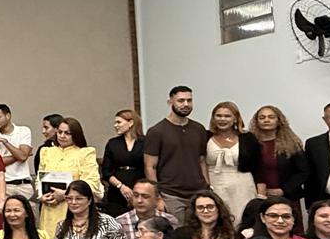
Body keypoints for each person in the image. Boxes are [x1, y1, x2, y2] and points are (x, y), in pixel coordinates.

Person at [143, 87, 209, 223]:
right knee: (176, 231)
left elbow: (202, 160)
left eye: (189, 100)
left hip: (198, 192)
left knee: (199, 231)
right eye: (181, 100)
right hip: (171, 194)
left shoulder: (199, 129)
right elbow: (150, 166)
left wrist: (208, 188)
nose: (186, 104)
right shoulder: (156, 131)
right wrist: (158, 197)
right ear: (170, 102)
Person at [35, 117, 102, 237]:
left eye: (67, 133)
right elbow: (39, 180)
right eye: (60, 132)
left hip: (73, 208)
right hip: (49, 207)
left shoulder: (85, 153)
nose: (62, 136)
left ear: (75, 134)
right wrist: (41, 195)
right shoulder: (47, 152)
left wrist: (66, 194)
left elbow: (91, 183)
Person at [203, 102, 261, 219]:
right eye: (218, 115)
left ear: (235, 119)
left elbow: (259, 167)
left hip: (242, 186)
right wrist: (205, 185)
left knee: (242, 218)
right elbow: (200, 162)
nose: (222, 119)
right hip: (214, 184)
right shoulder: (205, 136)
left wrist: (261, 194)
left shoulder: (248, 137)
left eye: (227, 116)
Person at [250, 104, 307, 208]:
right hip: (256, 197)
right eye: (262, 118)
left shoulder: (292, 144)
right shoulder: (250, 144)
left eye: (271, 117)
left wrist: (283, 190)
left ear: (279, 121)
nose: (266, 120)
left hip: (287, 198)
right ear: (256, 122)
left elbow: (303, 171)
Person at [0, 103, 35, 201]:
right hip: (4, 185)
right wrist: (22, 155)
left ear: (8, 116)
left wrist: (5, 142)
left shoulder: (23, 131)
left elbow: (22, 157)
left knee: (28, 210)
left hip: (24, 185)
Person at [100, 110, 145, 215]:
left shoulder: (145, 142)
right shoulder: (112, 143)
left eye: (119, 122)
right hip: (116, 192)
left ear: (130, 123)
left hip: (140, 189)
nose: (115, 126)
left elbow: (149, 166)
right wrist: (120, 186)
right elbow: (106, 171)